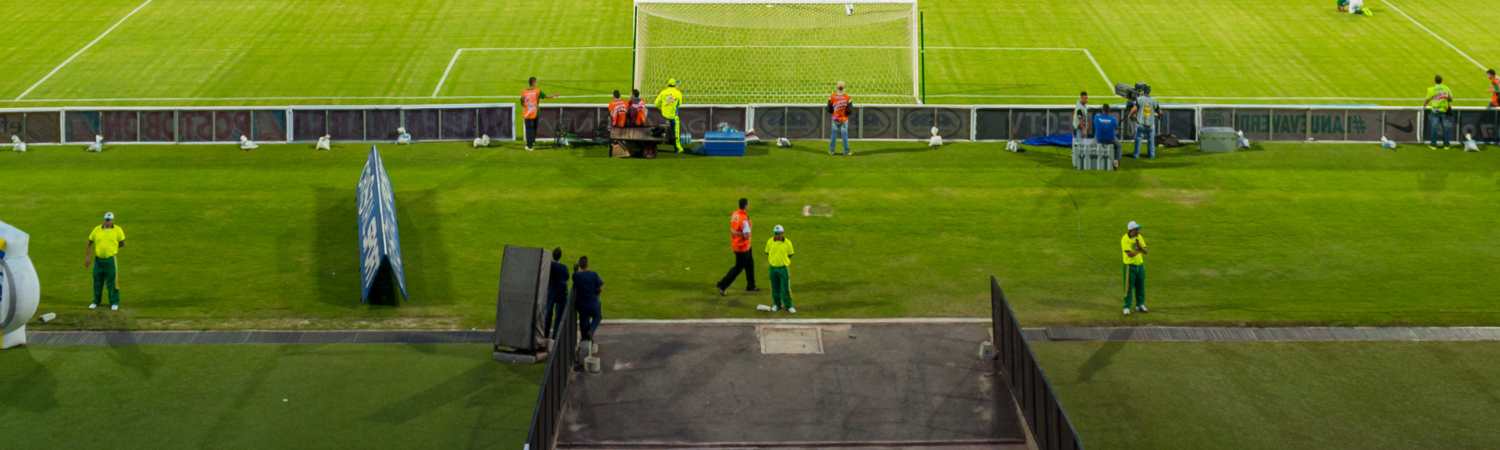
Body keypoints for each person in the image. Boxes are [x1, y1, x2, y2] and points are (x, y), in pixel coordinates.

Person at [716, 198, 758, 295]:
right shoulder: (744, 219)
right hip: (742, 247)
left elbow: (732, 229)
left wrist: (735, 232)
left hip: (739, 245)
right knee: (738, 268)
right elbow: (746, 235)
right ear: (746, 205)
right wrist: (741, 233)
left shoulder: (735, 214)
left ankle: (751, 286)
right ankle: (722, 285)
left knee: (750, 264)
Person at [85, 212, 126, 311]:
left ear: (112, 220)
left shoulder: (118, 230)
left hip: (111, 260)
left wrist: (113, 249)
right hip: (98, 260)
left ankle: (114, 302)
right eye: (106, 220)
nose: (107, 222)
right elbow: (90, 242)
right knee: (97, 281)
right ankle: (96, 301)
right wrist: (88, 257)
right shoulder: (97, 229)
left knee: (112, 282)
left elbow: (122, 243)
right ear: (103, 220)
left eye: (109, 220)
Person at [571, 256, 604, 344]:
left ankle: (585, 338)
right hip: (592, 303)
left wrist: (575, 270)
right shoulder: (594, 274)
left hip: (581, 305)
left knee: (583, 320)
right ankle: (591, 331)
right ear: (587, 264)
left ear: (579, 265)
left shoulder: (576, 276)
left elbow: (575, 277)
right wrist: (597, 293)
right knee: (598, 316)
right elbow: (600, 287)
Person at [765, 225, 796, 313]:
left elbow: (790, 254)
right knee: (775, 288)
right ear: (774, 233)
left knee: (785, 288)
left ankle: (789, 306)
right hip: (772, 268)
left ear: (783, 233)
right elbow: (767, 252)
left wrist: (783, 261)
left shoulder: (788, 242)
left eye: (779, 233)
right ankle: (777, 305)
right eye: (776, 233)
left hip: (783, 268)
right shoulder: (769, 241)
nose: (778, 235)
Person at [1121, 221, 1148, 316]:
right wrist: (1139, 249)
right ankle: (1126, 307)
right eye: (1136, 229)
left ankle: (1140, 304)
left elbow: (1146, 251)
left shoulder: (1139, 237)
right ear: (1131, 230)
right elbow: (1130, 254)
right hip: (1129, 266)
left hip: (1140, 265)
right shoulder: (1125, 239)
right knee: (1128, 288)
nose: (1138, 230)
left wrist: (1140, 248)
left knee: (1140, 286)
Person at [543, 247, 570, 339]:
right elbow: (567, 277)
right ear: (560, 256)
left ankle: (546, 334)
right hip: (561, 293)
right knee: (558, 316)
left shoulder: (548, 266)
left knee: (548, 314)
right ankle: (555, 336)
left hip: (551, 292)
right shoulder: (564, 267)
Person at [654, 79, 685, 153]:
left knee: (663, 129)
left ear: (668, 84)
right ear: (675, 85)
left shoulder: (663, 92)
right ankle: (677, 148)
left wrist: (662, 108)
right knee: (676, 132)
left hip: (663, 115)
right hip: (673, 116)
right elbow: (679, 104)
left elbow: (656, 103)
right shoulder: (678, 93)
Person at [1424, 74, 1454, 149]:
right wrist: (1445, 98)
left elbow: (1427, 99)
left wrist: (1424, 105)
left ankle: (1433, 145)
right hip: (1444, 110)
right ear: (1442, 81)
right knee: (1446, 128)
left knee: (1434, 128)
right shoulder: (1446, 88)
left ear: (1435, 81)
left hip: (1435, 111)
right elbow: (1451, 98)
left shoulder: (1431, 89)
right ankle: (1446, 145)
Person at [1129, 84, 1159, 159]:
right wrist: (1160, 115)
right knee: (1151, 141)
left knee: (1138, 140)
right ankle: (1151, 156)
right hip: (1151, 125)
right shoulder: (1154, 100)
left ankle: (1136, 155)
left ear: (1143, 91)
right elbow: (1159, 111)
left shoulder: (1140, 99)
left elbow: (1134, 109)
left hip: (1141, 124)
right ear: (1149, 91)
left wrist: (1129, 115)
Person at [521, 76, 549, 151]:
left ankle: (530, 145)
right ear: (533, 82)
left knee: (529, 129)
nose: (536, 83)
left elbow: (522, 102)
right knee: (533, 128)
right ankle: (531, 144)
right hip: (535, 113)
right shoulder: (537, 91)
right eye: (536, 82)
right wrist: (553, 96)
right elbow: (545, 96)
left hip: (527, 113)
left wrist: (526, 105)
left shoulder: (524, 91)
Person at [827, 81, 853, 156]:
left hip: (835, 119)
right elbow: (850, 110)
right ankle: (846, 151)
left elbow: (829, 109)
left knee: (833, 135)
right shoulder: (848, 97)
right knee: (845, 136)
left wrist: (834, 113)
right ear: (844, 88)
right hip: (844, 119)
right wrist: (845, 114)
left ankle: (831, 151)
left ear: (836, 88)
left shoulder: (832, 97)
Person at [1093, 104, 1120, 168]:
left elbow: (1096, 126)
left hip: (1099, 139)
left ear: (1102, 110)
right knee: (1118, 146)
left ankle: (1094, 160)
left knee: (1095, 135)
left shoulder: (1096, 117)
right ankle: (1116, 161)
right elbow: (1116, 127)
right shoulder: (1113, 119)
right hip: (1110, 139)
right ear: (1109, 111)